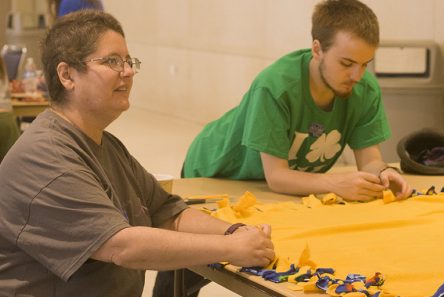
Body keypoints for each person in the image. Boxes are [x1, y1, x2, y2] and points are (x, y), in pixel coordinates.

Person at [0, 10, 274, 297]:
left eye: (129, 62)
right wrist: (232, 248)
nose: (128, 71)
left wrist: (234, 232)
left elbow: (166, 212)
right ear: (67, 75)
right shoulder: (45, 157)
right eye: (112, 61)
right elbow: (122, 246)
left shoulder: (107, 145)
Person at [183, 0, 412, 201]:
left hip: (267, 185)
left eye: (365, 64)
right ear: (317, 49)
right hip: (214, 173)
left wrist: (383, 173)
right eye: (346, 63)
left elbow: (370, 161)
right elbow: (277, 178)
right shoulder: (275, 86)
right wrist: (335, 183)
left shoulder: (365, 90)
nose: (357, 75)